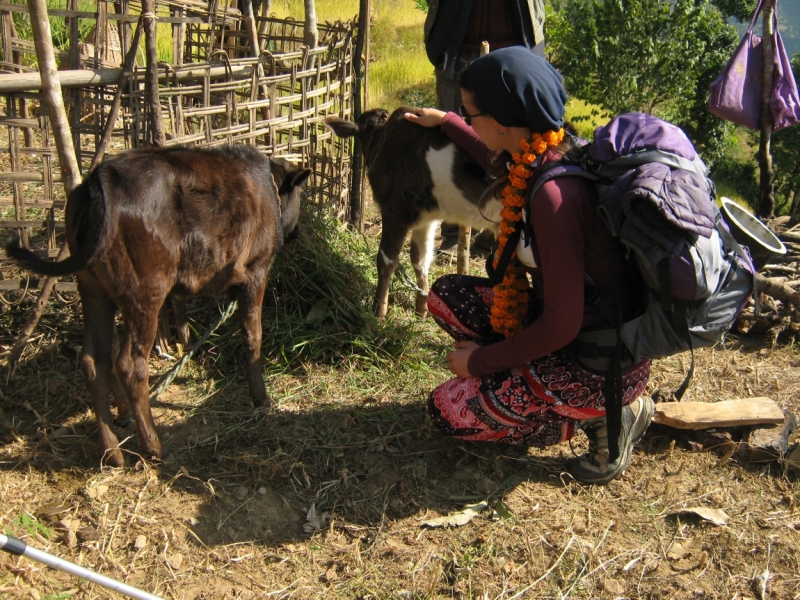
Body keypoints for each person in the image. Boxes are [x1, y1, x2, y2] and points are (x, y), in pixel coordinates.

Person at [404, 47, 655, 485]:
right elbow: (491, 155)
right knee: (447, 297)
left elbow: (561, 325)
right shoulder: (541, 153)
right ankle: (529, 381)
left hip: (596, 362)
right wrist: (447, 123)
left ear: (503, 120)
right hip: (567, 329)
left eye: (469, 110)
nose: (466, 116)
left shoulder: (556, 199)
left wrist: (480, 362)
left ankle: (597, 417)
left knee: (448, 410)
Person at [424, 0, 546, 256]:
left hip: (516, 51)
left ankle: (500, 230)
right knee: (453, 141)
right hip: (457, 49)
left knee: (513, 142)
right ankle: (452, 233)